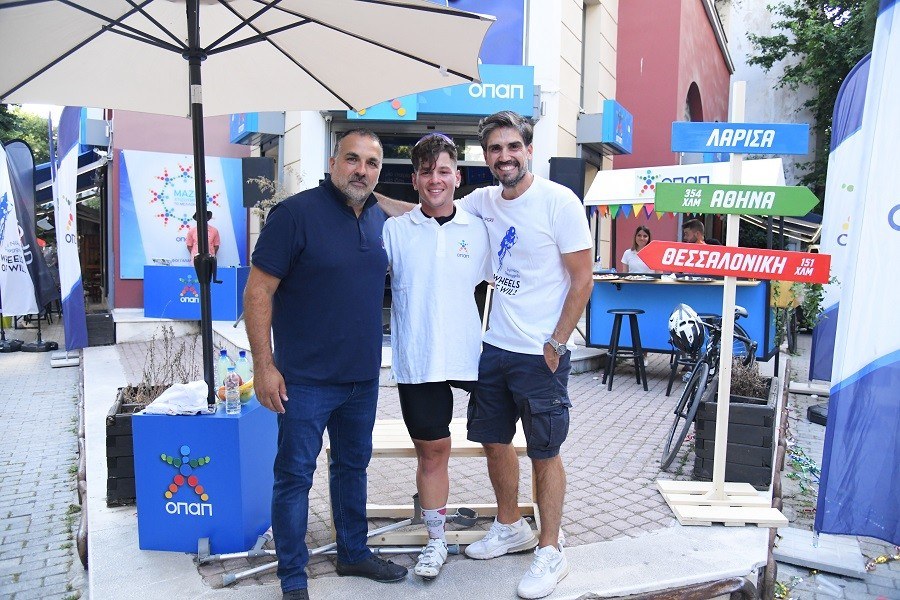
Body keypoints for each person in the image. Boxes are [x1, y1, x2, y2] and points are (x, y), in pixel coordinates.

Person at [381, 111, 593, 599]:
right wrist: (368, 195)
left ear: (529, 150)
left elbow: (583, 280)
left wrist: (558, 342)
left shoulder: (559, 202)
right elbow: (428, 207)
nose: (505, 156)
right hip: (494, 347)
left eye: (513, 146)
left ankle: (550, 550)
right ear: (485, 158)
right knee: (495, 442)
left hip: (541, 351)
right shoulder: (482, 202)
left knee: (544, 452)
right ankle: (510, 525)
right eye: (495, 149)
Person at [244, 130, 407, 600]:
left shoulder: (377, 217)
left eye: (372, 163)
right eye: (352, 159)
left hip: (362, 378)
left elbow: (421, 212)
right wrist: (264, 366)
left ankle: (353, 552)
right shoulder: (294, 215)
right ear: (332, 162)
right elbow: (258, 292)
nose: (361, 170)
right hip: (304, 381)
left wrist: (389, 199)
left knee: (353, 468)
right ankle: (293, 577)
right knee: (295, 477)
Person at [382, 133, 491, 580]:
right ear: (414, 180)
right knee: (432, 450)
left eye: (443, 170)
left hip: (471, 354)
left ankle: (512, 525)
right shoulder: (395, 231)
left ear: (457, 177)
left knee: (500, 441)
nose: (435, 179)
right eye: (426, 172)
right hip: (420, 357)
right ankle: (435, 540)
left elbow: (507, 281)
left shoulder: (478, 229)